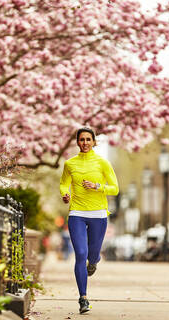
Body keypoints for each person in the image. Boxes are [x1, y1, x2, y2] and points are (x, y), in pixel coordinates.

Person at [60, 127, 119, 314]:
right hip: (76, 212)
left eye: (88, 139)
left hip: (98, 215)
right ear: (77, 142)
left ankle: (94, 261)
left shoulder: (103, 163)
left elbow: (115, 188)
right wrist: (65, 194)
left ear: (94, 142)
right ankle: (83, 298)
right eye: (81, 139)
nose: (85, 143)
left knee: (91, 256)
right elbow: (63, 183)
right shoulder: (70, 164)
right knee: (80, 254)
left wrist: (97, 186)